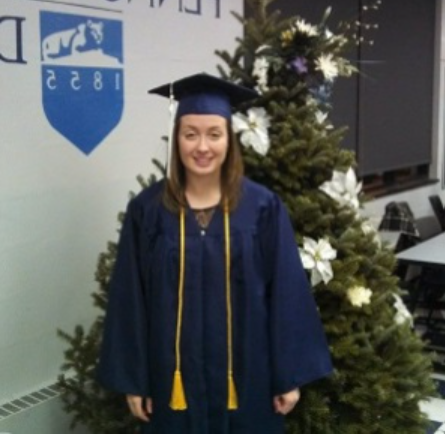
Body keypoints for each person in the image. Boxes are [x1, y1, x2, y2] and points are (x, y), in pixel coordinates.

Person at [96, 73, 333, 434]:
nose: (202, 147)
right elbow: (131, 300)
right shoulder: (148, 211)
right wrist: (135, 380)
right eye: (190, 134)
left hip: (249, 376)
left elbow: (286, 294)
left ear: (229, 141)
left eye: (214, 134)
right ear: (176, 139)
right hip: (170, 379)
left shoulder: (262, 208)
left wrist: (289, 375)